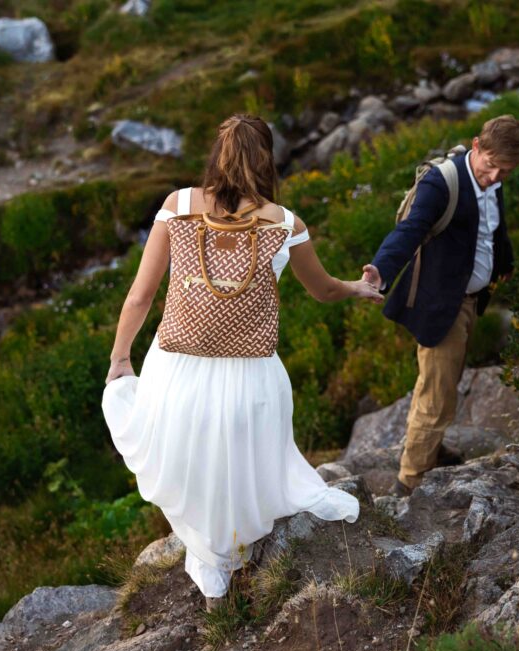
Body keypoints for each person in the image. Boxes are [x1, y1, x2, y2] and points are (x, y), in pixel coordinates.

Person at [101, 114, 382, 611]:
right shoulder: (285, 223)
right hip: (252, 373)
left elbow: (141, 297)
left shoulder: (177, 206)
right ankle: (232, 551)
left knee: (191, 459)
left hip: (175, 367)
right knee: (240, 458)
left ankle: (212, 565)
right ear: (266, 160)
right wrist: (358, 287)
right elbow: (322, 291)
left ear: (218, 155)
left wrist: (121, 357)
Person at [361, 114, 519, 497]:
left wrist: (504, 263)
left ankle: (431, 449)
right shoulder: (442, 182)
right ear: (476, 146)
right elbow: (410, 230)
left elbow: (492, 228)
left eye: (504, 172)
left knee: (445, 383)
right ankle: (411, 481)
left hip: (470, 300)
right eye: (490, 167)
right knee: (436, 395)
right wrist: (379, 273)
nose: (494, 177)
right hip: (442, 303)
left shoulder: (495, 179)